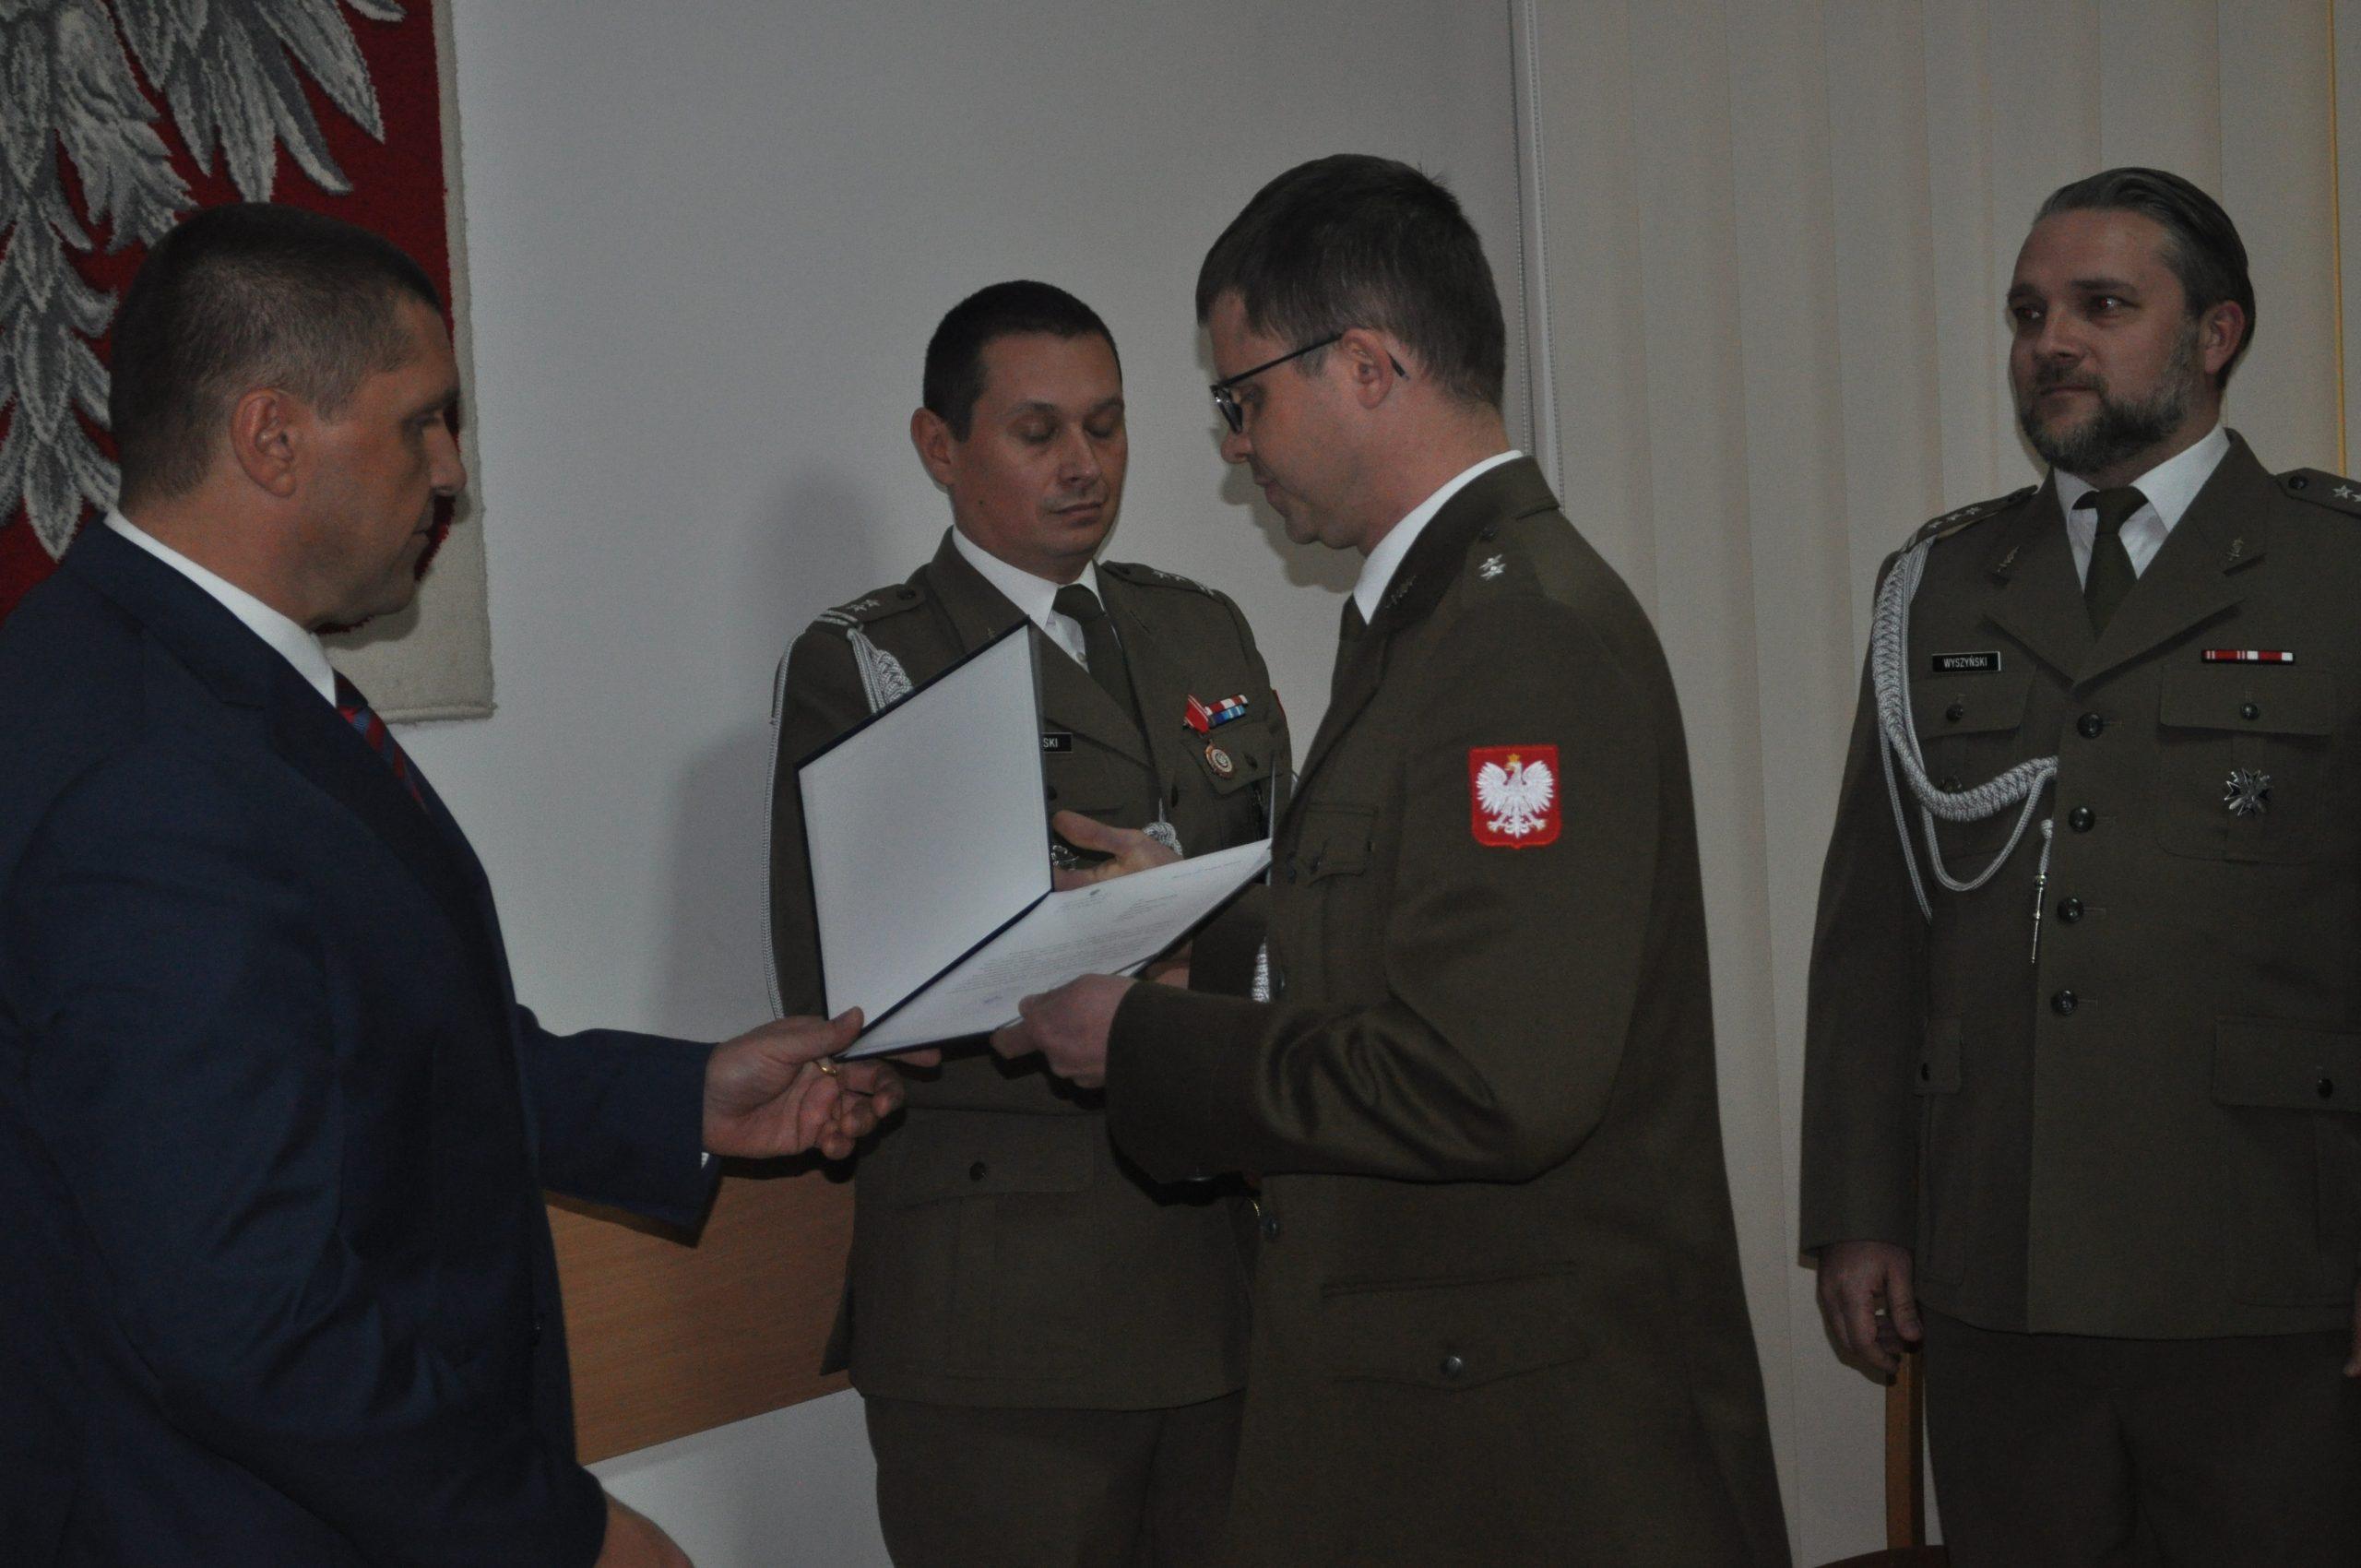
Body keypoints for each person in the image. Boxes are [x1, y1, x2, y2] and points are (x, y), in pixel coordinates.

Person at [0, 203, 908, 1568]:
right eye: (422, 421)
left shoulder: (185, 677)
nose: (451, 472)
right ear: (271, 437)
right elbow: (247, 1309)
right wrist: (565, 1534)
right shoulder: (146, 768)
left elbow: (368, 1063)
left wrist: (682, 1099)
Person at [990, 156, 1789, 1566]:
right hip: (1445, 1410)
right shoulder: (1431, 615)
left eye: (1243, 398)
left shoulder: (1518, 634)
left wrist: (1141, 1039)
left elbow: (1489, 1081)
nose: (1235, 444)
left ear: (1366, 366)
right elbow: (1405, 940)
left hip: (1525, 1447)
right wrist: (1189, 938)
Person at [1801, 167, 2361, 1565]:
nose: (2051, 341)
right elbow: (1875, 929)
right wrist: (1861, 1216)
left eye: (2103, 306)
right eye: (2028, 312)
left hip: (2261, 1260)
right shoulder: (1937, 587)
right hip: (2000, 1263)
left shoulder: (2333, 575)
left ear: (2216, 334)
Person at [765, 280, 1289, 1567]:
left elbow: (1298, 896)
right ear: (939, 446)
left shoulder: (1198, 627)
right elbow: (849, 987)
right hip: (1002, 1308)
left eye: (1106, 426)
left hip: (1221, 1273)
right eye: (1038, 431)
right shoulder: (873, 662)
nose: (1084, 465)